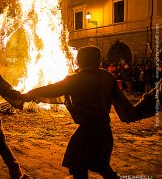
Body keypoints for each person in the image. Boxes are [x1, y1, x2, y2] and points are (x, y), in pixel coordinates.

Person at [23, 46, 136, 179]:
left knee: (78, 166)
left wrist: (30, 94)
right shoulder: (106, 76)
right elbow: (123, 103)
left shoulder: (76, 80)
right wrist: (134, 113)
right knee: (102, 167)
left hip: (87, 134)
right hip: (104, 132)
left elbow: (52, 89)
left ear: (81, 60)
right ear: (98, 60)